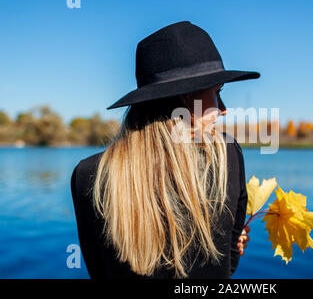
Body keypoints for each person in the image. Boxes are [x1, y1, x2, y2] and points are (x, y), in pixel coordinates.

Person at [70, 21, 260, 279]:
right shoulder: (228, 156)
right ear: (186, 97)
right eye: (216, 93)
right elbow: (227, 267)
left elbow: (98, 270)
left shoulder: (86, 174)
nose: (223, 109)